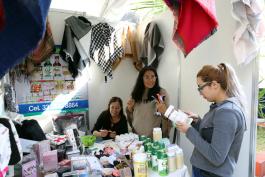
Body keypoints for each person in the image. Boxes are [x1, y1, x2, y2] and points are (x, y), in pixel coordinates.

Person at [156, 63, 247, 177]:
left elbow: (216, 157)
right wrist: (197, 122)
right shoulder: (220, 108)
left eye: (200, 87)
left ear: (214, 84)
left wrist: (188, 130)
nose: (199, 93)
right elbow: (212, 135)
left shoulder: (227, 113)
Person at [126, 66, 171, 138]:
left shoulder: (161, 92)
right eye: (147, 77)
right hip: (136, 135)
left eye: (153, 76)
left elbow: (168, 116)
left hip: (153, 136)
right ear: (142, 79)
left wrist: (164, 111)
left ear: (156, 78)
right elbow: (131, 113)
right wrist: (129, 109)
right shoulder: (136, 93)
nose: (150, 80)